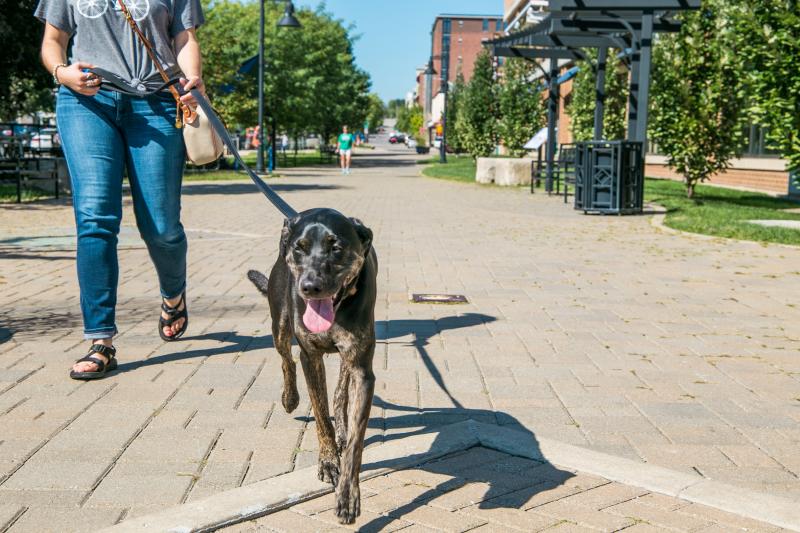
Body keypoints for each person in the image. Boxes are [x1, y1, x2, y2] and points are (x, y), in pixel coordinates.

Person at [36, 0, 206, 380]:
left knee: (162, 227)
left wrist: (192, 77)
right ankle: (101, 341)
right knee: (95, 217)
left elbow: (184, 37)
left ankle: (173, 295)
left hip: (158, 102)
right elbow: (53, 40)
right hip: (86, 102)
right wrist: (62, 73)